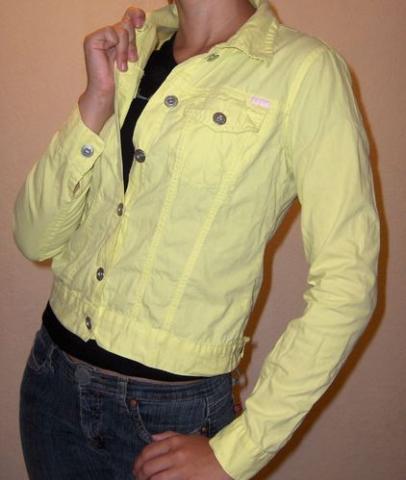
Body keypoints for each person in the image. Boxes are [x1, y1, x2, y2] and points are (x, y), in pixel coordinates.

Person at [13, 0, 380, 479]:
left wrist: (238, 451)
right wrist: (97, 98)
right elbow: (33, 237)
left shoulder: (304, 70)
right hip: (52, 382)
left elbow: (348, 283)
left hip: (169, 417)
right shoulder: (132, 50)